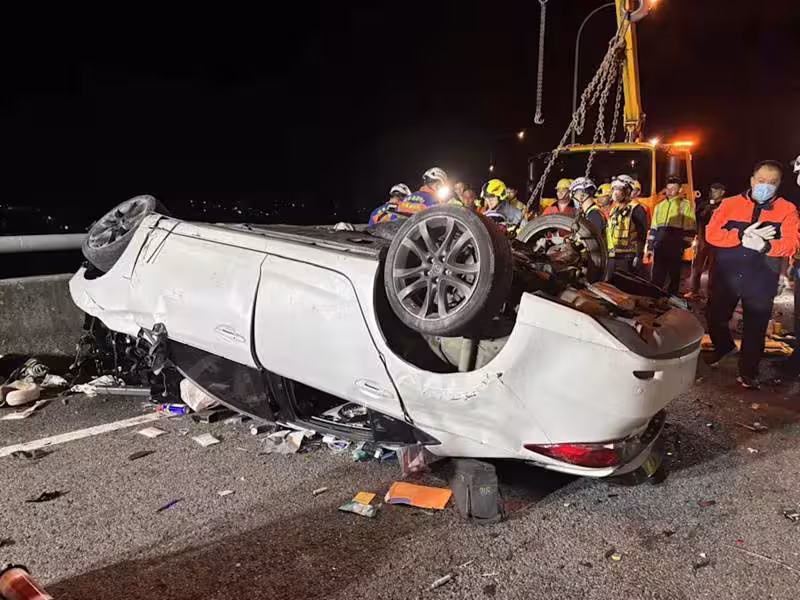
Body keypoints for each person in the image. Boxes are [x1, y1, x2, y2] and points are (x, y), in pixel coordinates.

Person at [704, 160, 800, 389]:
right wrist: (739, 235)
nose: (766, 186)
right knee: (715, 315)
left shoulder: (787, 210)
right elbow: (711, 234)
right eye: (761, 180)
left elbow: (792, 244)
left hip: (761, 278)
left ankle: (748, 372)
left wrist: (766, 246)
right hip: (727, 275)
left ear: (779, 184)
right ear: (752, 180)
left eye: (772, 182)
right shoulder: (729, 204)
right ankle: (724, 347)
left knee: (755, 328)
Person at [646, 176, 697, 295]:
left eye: (673, 188)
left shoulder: (685, 205)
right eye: (668, 188)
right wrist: (650, 247)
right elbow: (653, 228)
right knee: (657, 277)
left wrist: (683, 245)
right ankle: (654, 298)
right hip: (660, 247)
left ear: (679, 190)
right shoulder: (659, 206)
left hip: (675, 247)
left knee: (674, 277)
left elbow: (690, 227)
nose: (670, 191)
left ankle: (671, 299)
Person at [687, 183, 726, 298]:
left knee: (713, 269)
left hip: (717, 242)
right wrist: (706, 210)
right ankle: (694, 291)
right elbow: (697, 218)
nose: (713, 193)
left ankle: (711, 294)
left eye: (716, 191)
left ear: (722, 192)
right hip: (702, 240)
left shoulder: (725, 205)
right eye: (712, 191)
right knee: (697, 267)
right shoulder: (705, 204)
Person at [606, 174, 648, 278]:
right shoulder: (614, 210)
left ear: (628, 191)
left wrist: (638, 256)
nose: (615, 192)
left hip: (628, 257)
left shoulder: (637, 209)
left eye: (619, 189)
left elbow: (641, 235)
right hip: (612, 256)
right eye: (614, 189)